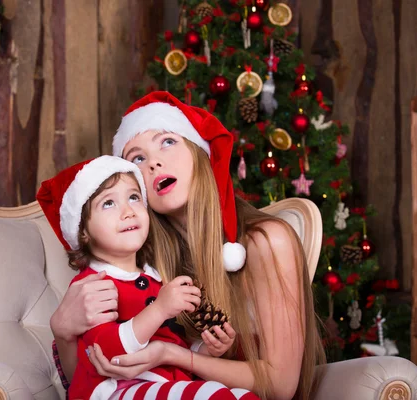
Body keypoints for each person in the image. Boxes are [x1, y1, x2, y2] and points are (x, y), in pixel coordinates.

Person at [50, 92, 326, 400]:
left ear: (199, 152)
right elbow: (94, 381)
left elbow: (281, 385)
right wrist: (63, 331)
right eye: (137, 158)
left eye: (167, 141)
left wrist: (172, 354)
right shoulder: (141, 264)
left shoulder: (266, 241)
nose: (154, 162)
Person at [37, 156, 259, 399]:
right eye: (108, 203)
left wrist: (207, 348)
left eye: (134, 197)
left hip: (164, 383)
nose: (128, 211)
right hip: (118, 388)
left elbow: (171, 342)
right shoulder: (93, 284)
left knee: (241, 396)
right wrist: (160, 309)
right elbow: (107, 352)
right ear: (83, 231)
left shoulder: (155, 278)